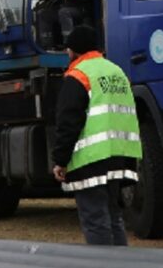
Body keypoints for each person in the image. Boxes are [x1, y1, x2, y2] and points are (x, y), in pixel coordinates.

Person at [51, 25, 142, 245]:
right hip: (119, 157)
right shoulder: (117, 72)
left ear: (74, 51)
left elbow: (68, 122)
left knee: (95, 220)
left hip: (91, 159)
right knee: (113, 217)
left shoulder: (78, 75)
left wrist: (60, 161)